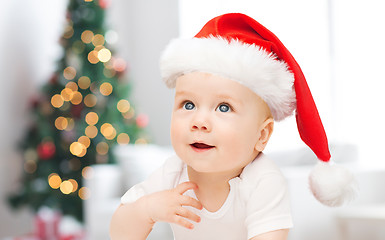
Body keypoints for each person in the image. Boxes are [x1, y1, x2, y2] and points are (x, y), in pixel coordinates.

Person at [110, 13, 356, 240]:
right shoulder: (173, 171)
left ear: (261, 135)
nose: (199, 122)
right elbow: (119, 234)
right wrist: (147, 210)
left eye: (224, 107)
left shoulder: (263, 181)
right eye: (188, 104)